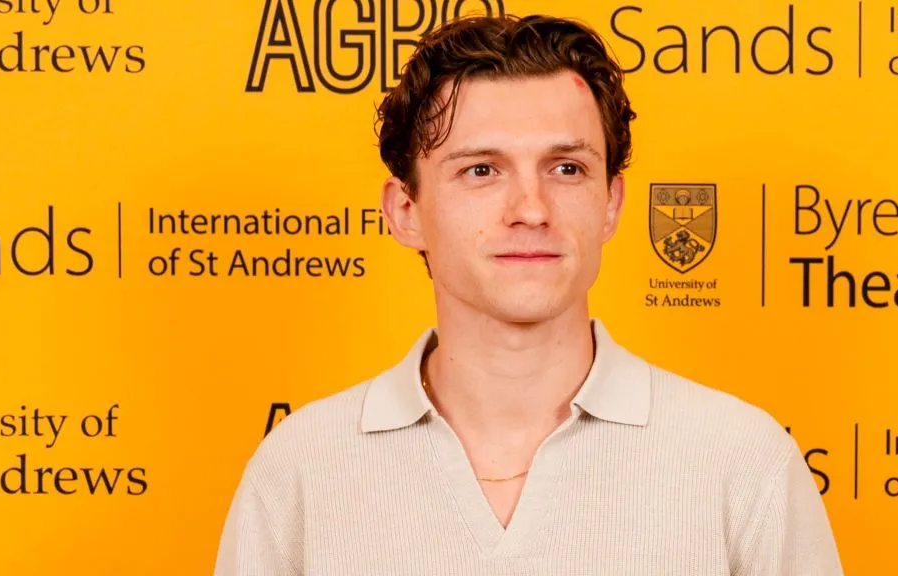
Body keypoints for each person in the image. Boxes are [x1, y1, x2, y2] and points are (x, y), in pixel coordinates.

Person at [214, 13, 844, 575]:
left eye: (566, 168)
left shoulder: (740, 461)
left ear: (611, 203)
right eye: (480, 170)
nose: (531, 209)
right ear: (405, 210)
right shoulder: (299, 470)